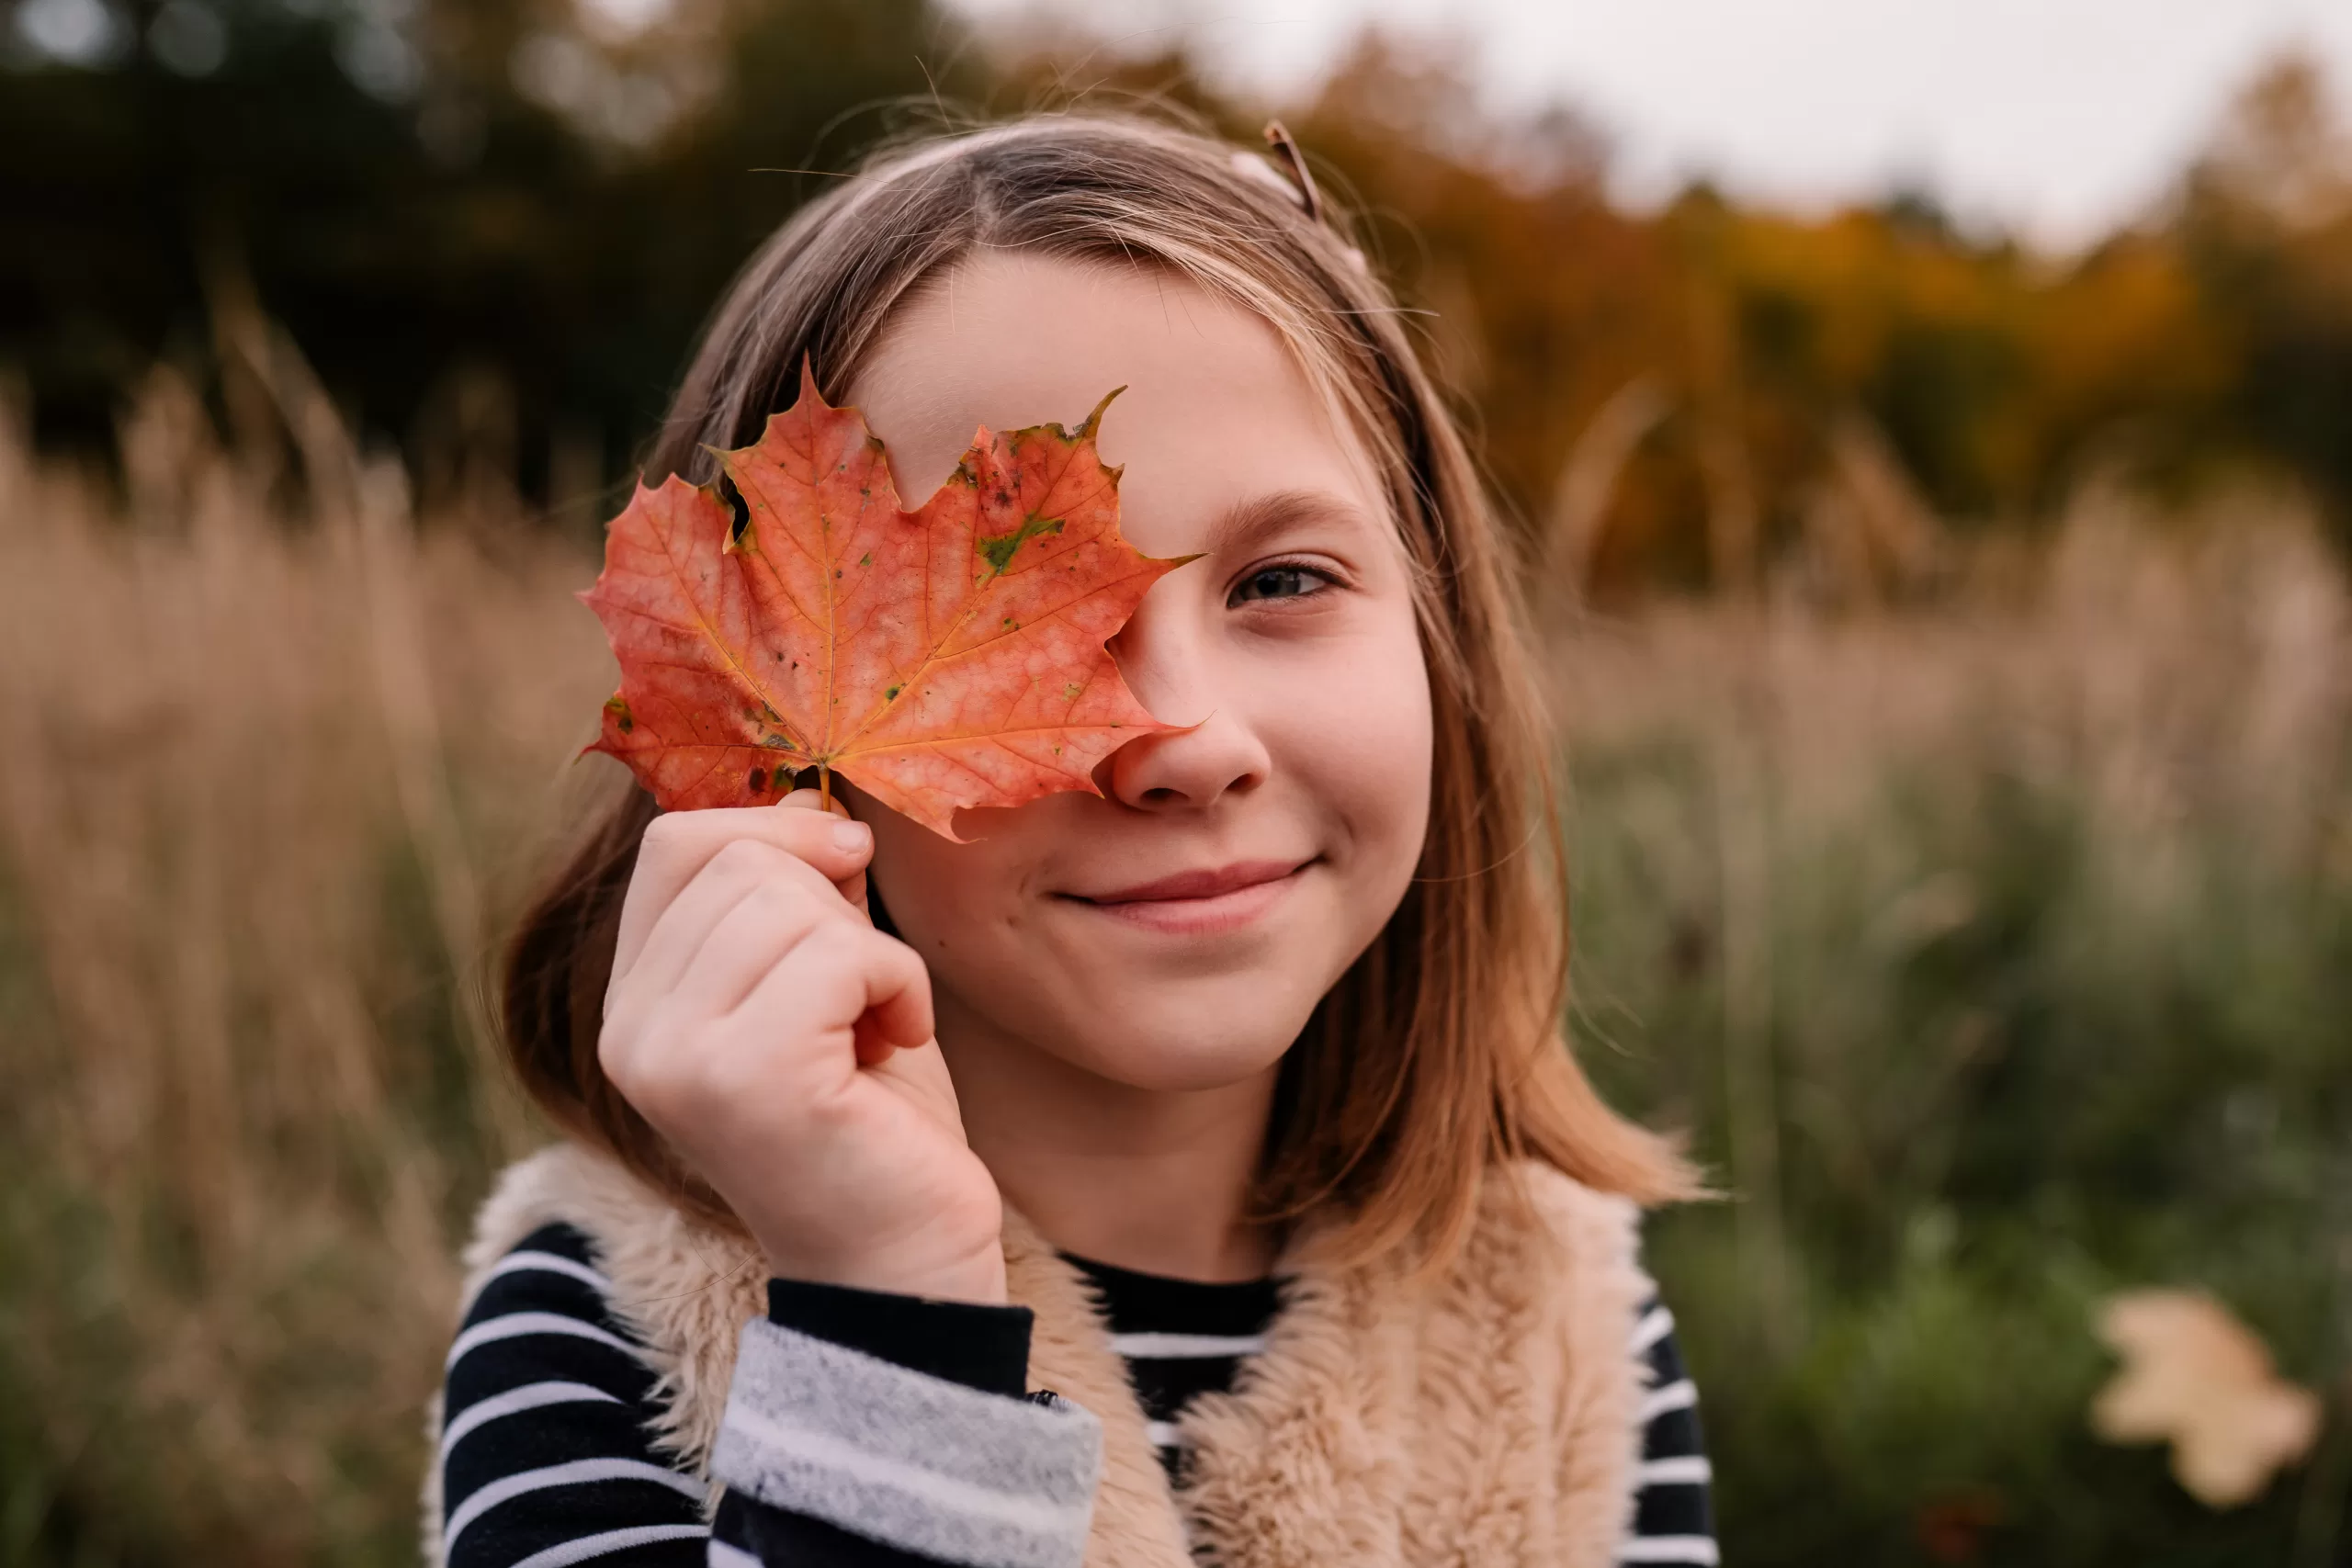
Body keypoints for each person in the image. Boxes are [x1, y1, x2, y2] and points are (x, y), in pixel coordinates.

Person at [424, 111, 1717, 1568]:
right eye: (1032, 618)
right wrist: (889, 1321)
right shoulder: (613, 1336)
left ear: (1439, 633)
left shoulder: (1563, 1331)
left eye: (1283, 577)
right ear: (766, 720)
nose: (1188, 740)